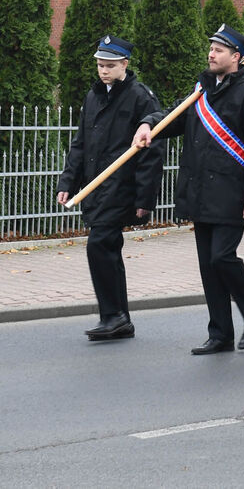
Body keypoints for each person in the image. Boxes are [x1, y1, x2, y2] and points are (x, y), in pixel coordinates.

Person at [134, 25, 244, 355]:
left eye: (219, 50)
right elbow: (176, 116)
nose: (211, 54)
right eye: (211, 48)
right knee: (208, 265)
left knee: (222, 257)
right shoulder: (203, 88)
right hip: (200, 192)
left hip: (232, 193)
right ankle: (220, 333)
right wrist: (149, 124)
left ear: (236, 57)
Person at [57, 36, 163, 341]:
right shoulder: (93, 96)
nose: (103, 71)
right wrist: (68, 182)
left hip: (121, 186)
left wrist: (145, 197)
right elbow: (80, 145)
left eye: (110, 65)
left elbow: (152, 152)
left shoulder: (140, 97)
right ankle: (118, 318)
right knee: (108, 249)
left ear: (125, 65)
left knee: (99, 244)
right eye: (100, 65)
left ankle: (113, 315)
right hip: (95, 185)